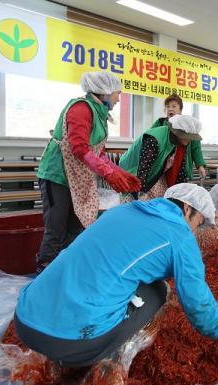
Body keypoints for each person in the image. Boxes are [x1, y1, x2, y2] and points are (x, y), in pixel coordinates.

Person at [14, 183, 218, 378]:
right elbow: (198, 305)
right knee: (159, 291)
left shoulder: (123, 210)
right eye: (198, 222)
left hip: (26, 318)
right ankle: (110, 370)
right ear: (187, 209)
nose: (194, 230)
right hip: (76, 341)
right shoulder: (180, 237)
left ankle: (55, 364)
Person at [35, 71, 140, 273]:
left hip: (78, 179)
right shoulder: (81, 109)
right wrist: (108, 174)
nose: (119, 99)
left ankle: (68, 271)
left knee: (77, 226)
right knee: (56, 229)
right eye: (118, 94)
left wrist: (121, 173)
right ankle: (44, 273)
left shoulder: (100, 114)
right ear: (105, 92)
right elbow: (80, 148)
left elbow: (98, 153)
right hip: (57, 176)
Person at [118, 114, 202, 201]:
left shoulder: (177, 143)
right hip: (131, 171)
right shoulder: (154, 140)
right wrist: (140, 197)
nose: (190, 140)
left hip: (150, 173)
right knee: (133, 203)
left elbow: (181, 172)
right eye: (189, 137)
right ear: (179, 134)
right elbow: (143, 170)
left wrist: (181, 196)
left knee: (160, 199)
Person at [150, 94, 207, 179]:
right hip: (162, 167)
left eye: (174, 106)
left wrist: (200, 166)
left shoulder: (188, 124)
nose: (170, 109)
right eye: (168, 106)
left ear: (180, 109)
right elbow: (149, 140)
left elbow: (196, 148)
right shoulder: (160, 123)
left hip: (181, 165)